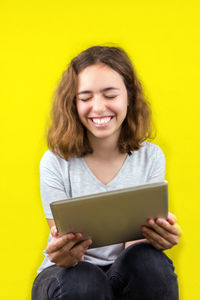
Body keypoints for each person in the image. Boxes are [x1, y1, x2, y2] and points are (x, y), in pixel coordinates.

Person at [32, 45, 182, 300]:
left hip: (122, 270)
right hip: (66, 274)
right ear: (73, 102)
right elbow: (65, 243)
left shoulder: (150, 156)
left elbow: (135, 250)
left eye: (110, 95)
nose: (98, 107)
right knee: (85, 281)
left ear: (129, 97)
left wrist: (157, 239)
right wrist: (64, 252)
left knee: (149, 262)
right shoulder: (55, 161)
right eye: (86, 97)